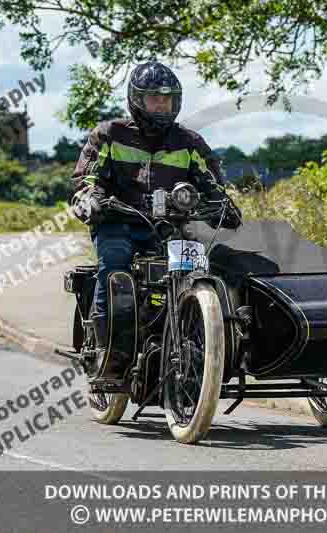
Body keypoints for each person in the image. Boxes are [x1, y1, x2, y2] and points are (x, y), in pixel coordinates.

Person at [69, 60, 242, 361]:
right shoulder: (110, 134)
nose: (162, 106)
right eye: (154, 99)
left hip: (169, 228)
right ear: (137, 100)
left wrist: (223, 206)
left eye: (167, 100)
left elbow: (211, 182)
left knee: (201, 269)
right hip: (117, 223)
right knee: (114, 265)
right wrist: (92, 200)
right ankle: (105, 349)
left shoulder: (188, 143)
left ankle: (200, 346)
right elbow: (86, 179)